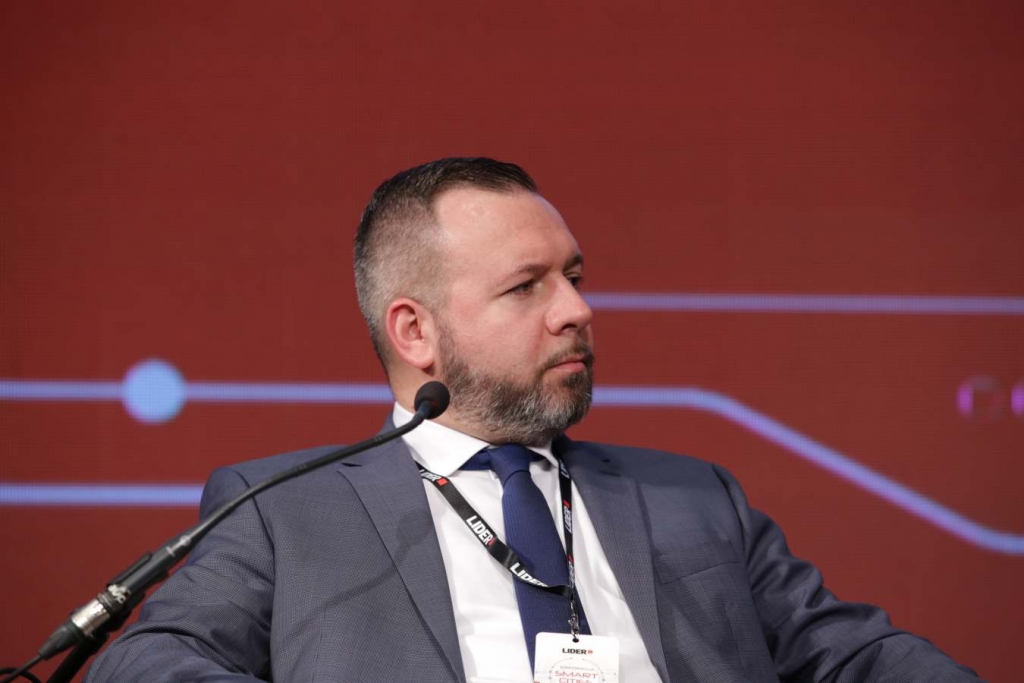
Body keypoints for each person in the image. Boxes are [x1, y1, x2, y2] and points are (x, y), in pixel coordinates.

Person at [85, 158, 982, 682]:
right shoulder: (282, 508)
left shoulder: (694, 496)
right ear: (415, 332)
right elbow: (150, 663)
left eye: (574, 277)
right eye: (526, 287)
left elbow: (850, 654)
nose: (576, 310)